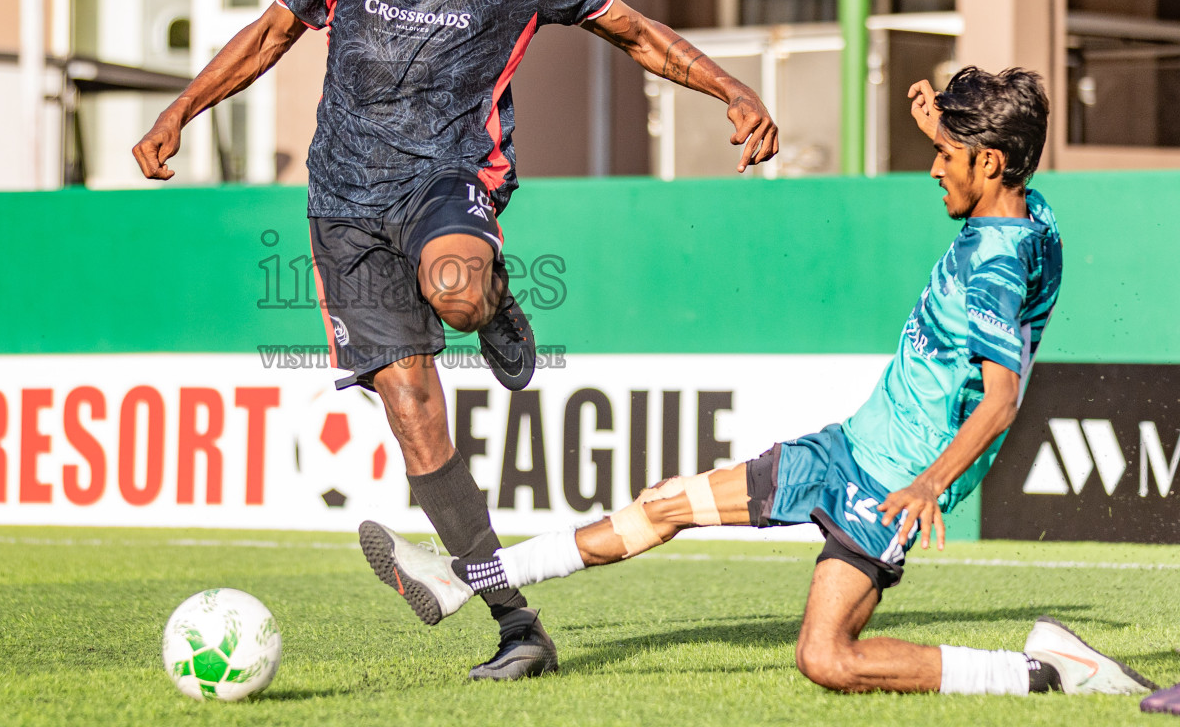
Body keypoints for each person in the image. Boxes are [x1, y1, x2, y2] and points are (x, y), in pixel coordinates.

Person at [132, 0, 778, 680]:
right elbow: (274, 31)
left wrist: (731, 89)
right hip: (343, 200)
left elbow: (634, 33)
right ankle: (519, 626)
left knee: (457, 293)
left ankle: (494, 303)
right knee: (414, 415)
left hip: (449, 177)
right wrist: (181, 110)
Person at [361, 66, 1160, 697]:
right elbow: (1000, 197)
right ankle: (465, 579)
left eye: (945, 157)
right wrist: (947, 131)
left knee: (828, 659)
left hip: (887, 487)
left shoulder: (995, 267)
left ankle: (1046, 674)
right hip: (849, 448)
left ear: (990, 162)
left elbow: (1002, 399)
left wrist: (928, 485)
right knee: (666, 504)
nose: (932, 169)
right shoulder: (1028, 214)